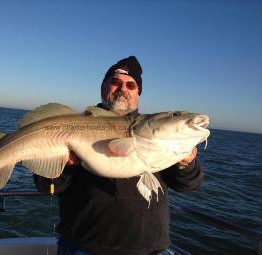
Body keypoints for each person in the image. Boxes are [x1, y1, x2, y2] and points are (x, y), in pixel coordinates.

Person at [34, 56, 203, 255]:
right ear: (103, 86)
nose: (123, 89)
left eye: (131, 85)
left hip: (153, 250)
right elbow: (48, 187)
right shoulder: (73, 125)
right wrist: (67, 165)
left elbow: (189, 185)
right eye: (115, 82)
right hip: (84, 248)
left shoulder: (159, 133)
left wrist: (186, 164)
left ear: (138, 93)